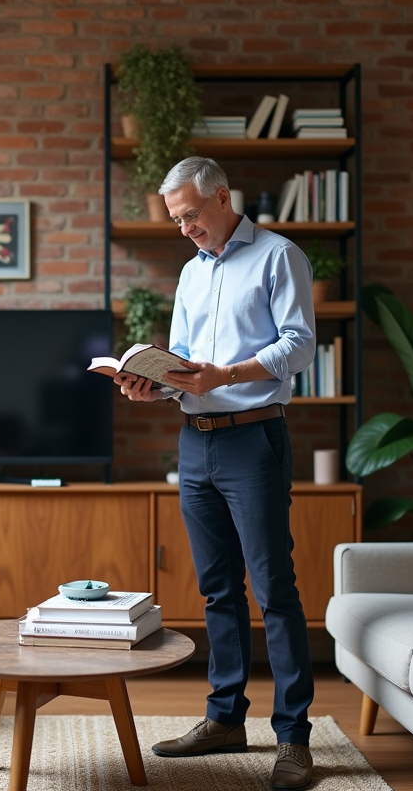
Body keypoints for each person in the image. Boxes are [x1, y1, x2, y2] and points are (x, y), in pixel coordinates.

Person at [115, 156, 317, 790]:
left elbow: (300, 343)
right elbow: (184, 368)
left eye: (192, 215)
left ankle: (294, 739)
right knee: (217, 590)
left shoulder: (280, 256)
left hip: (254, 439)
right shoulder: (191, 272)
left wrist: (226, 375)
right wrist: (158, 388)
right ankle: (225, 718)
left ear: (223, 198)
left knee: (272, 589)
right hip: (194, 443)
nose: (185, 229)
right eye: (177, 220)